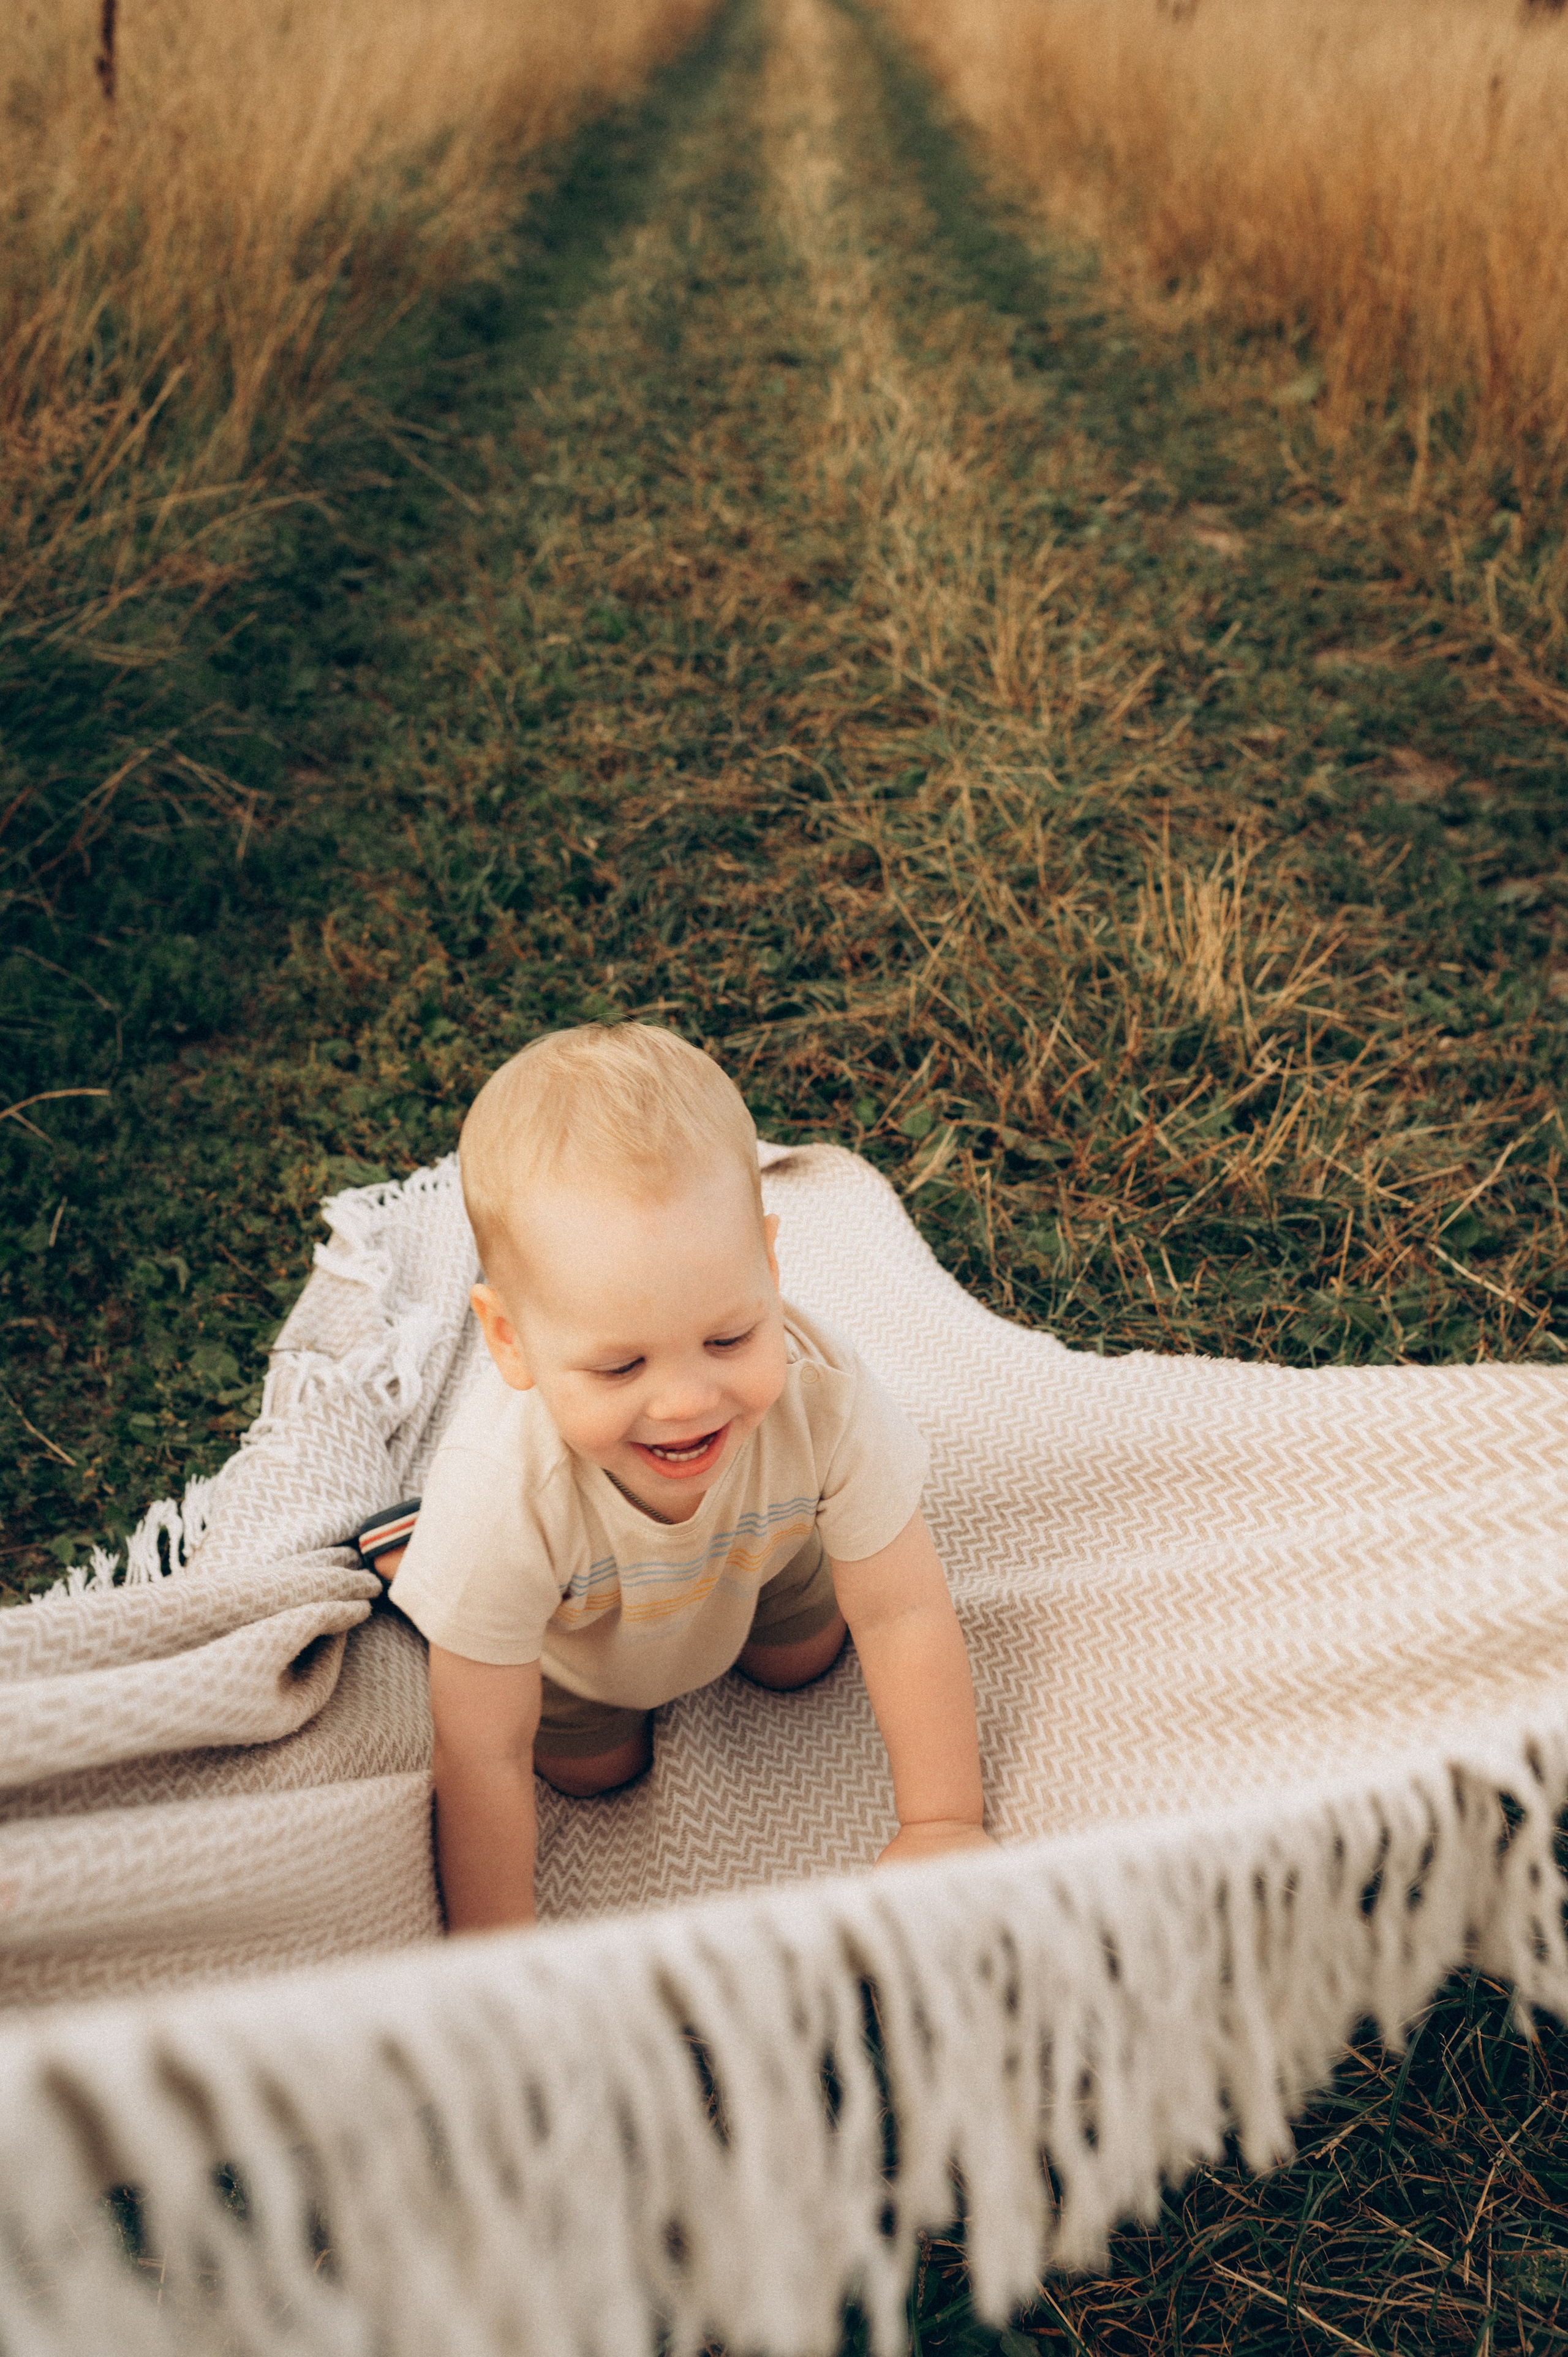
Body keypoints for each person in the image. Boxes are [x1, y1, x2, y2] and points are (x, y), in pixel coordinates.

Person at [363, 1022, 993, 1933]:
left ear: (769, 1268)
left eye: (730, 1337)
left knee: (808, 1661)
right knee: (595, 1774)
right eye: (621, 1369)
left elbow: (902, 1611)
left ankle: (760, 1601)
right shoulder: (503, 1495)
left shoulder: (821, 1393)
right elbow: (483, 1751)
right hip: (583, 1650)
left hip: (757, 1559)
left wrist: (944, 1819)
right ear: (509, 1339)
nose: (688, 1402)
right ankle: (406, 1545)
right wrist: (494, 1959)